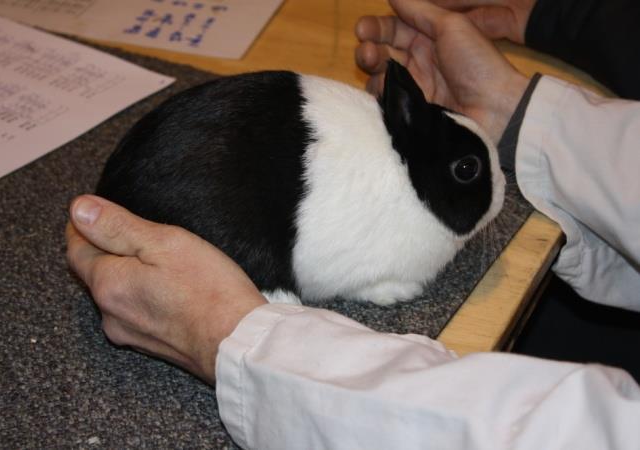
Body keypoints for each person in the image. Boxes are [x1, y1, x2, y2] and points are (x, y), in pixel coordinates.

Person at [66, 0, 640, 448]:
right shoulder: (388, 211)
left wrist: (239, 341)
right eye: (470, 170)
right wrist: (517, 109)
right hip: (210, 225)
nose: (499, 200)